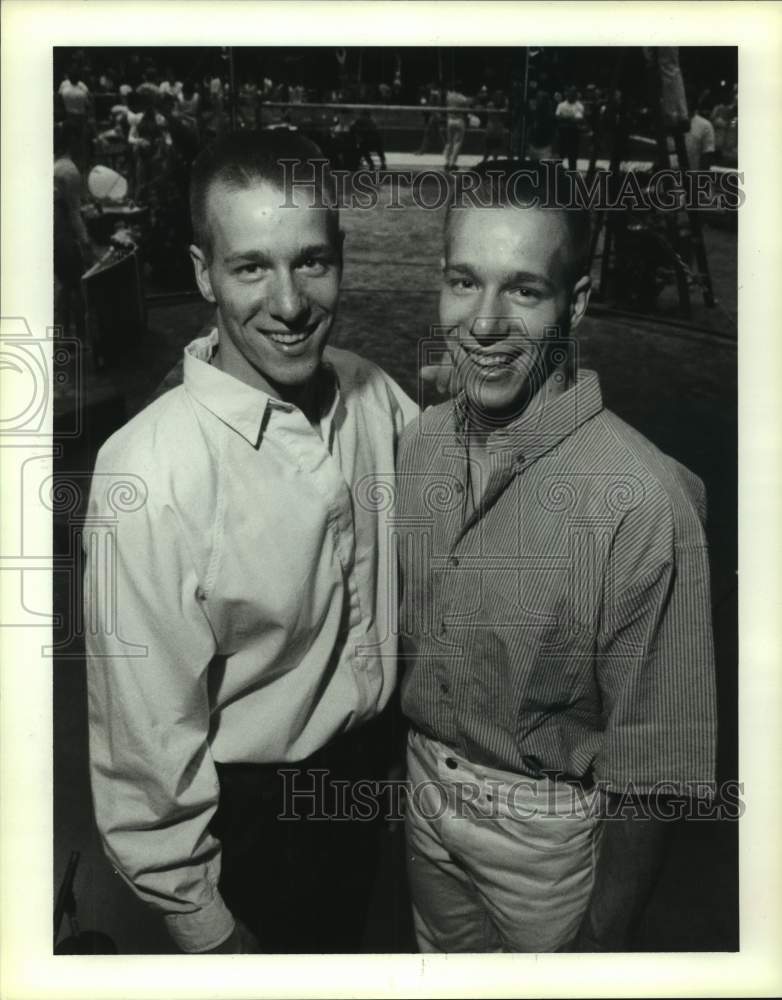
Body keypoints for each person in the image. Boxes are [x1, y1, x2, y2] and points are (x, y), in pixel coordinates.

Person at [83, 130, 418, 954]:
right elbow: (146, 743)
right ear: (203, 273)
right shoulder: (150, 477)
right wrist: (207, 928)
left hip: (371, 782)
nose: (291, 302)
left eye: (311, 261)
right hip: (252, 828)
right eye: (250, 267)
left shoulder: (375, 399)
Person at [395, 161, 717, 953]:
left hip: (546, 833)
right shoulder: (420, 442)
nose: (485, 322)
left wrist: (600, 947)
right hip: (422, 788)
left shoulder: (645, 502)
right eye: (464, 282)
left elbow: (654, 768)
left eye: (525, 290)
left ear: (575, 303)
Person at [53, 120, 92, 344]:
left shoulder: (57, 166)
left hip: (55, 231)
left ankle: (64, 334)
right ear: (73, 141)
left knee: (66, 285)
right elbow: (74, 213)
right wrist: (85, 241)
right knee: (76, 283)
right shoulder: (68, 169)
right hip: (62, 234)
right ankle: (79, 335)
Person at [555, 86, 585, 170]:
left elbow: (578, 119)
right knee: (560, 155)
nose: (571, 95)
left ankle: (572, 175)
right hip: (562, 133)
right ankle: (557, 174)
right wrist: (570, 118)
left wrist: (565, 117)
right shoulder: (561, 105)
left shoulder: (579, 106)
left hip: (573, 134)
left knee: (573, 157)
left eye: (573, 93)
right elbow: (557, 117)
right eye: (569, 92)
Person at [443, 83, 469, 171]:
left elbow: (446, 103)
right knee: (457, 143)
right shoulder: (463, 99)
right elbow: (466, 111)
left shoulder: (449, 96)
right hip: (459, 120)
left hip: (450, 120)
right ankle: (452, 163)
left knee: (449, 142)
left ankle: (447, 162)